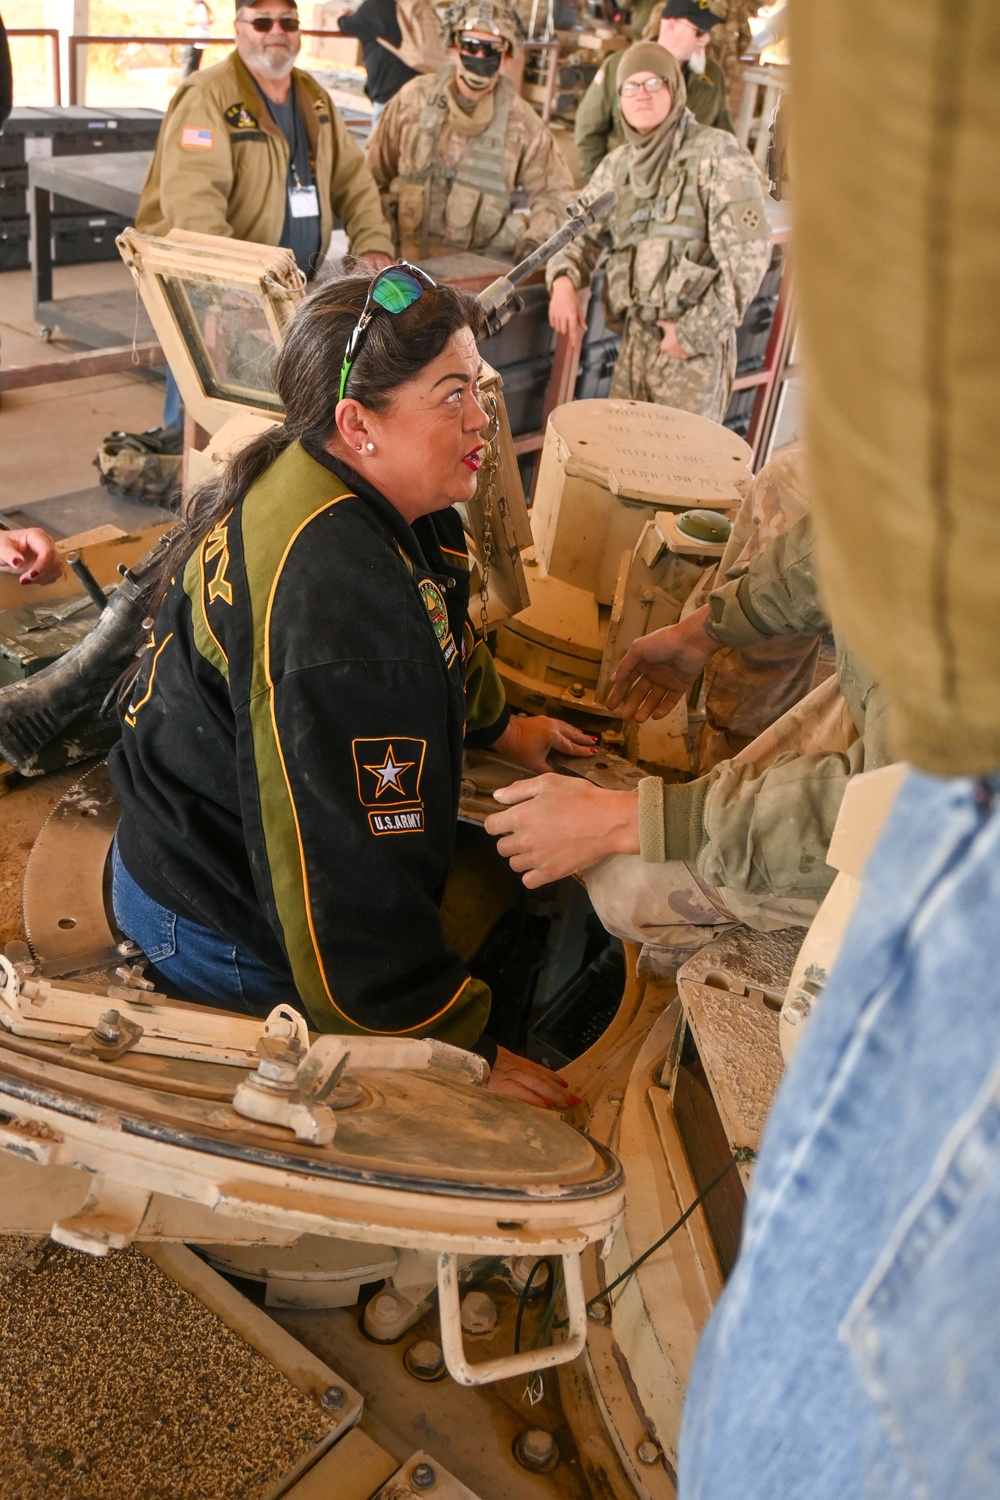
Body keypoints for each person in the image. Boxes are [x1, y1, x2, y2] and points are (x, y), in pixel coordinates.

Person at [678, 3, 1000, 1495]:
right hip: (931, 768)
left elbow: (865, 813)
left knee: (786, 1446)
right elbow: (833, 566)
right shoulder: (890, 490)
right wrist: (710, 626)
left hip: (939, 817)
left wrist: (647, 826)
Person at [108, 268, 594, 1108]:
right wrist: (449, 1038)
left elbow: (444, 615)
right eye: (450, 395)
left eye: (475, 384)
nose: (481, 415)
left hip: (180, 848)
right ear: (357, 424)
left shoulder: (345, 483)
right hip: (210, 919)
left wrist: (504, 730)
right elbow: (339, 879)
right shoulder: (342, 604)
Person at [484, 452, 892, 966]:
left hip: (941, 843)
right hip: (899, 698)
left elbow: (885, 816)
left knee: (626, 886)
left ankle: (737, 985)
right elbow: (868, 527)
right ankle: (734, 774)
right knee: (789, 480)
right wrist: (709, 628)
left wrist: (643, 819)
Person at [137, 0, 395, 426]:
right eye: (261, 21)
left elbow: (355, 180)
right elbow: (193, 206)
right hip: (218, 293)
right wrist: (233, 282)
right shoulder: (207, 97)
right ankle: (188, 465)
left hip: (289, 289)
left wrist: (373, 245)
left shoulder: (313, 97)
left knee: (273, 416)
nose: (277, 30)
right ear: (238, 30)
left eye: (288, 21)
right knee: (207, 424)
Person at [547, 40, 770, 423]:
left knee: (680, 473)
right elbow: (577, 232)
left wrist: (691, 335)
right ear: (618, 100)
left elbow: (748, 257)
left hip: (692, 354)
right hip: (634, 343)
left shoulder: (718, 154)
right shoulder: (618, 166)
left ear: (675, 89)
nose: (642, 95)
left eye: (654, 83)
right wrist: (563, 279)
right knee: (623, 464)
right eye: (630, 87)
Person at [366, 0, 574, 262]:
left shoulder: (523, 124)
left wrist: (535, 241)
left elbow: (554, 195)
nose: (479, 57)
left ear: (506, 54)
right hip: (399, 268)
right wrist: (372, 244)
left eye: (491, 49)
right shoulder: (412, 100)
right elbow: (370, 180)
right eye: (470, 45)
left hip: (474, 277)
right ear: (454, 46)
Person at [575, 0, 734, 183]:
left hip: (687, 192)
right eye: (699, 31)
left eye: (708, 31)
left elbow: (726, 138)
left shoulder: (711, 77)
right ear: (671, 26)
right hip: (628, 187)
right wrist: (602, 187)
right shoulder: (620, 67)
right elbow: (588, 131)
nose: (705, 38)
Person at [335, 0, 421, 125]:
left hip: (388, 90)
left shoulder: (375, 5)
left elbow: (347, 25)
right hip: (417, 85)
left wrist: (341, 17)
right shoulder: (411, 4)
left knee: (382, 141)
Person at [181, 0, 215, 79]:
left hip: (202, 38)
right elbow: (184, 19)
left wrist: (209, 20)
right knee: (188, 65)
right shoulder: (187, 5)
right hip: (190, 38)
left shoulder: (203, 4)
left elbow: (212, 15)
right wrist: (200, 21)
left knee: (196, 66)